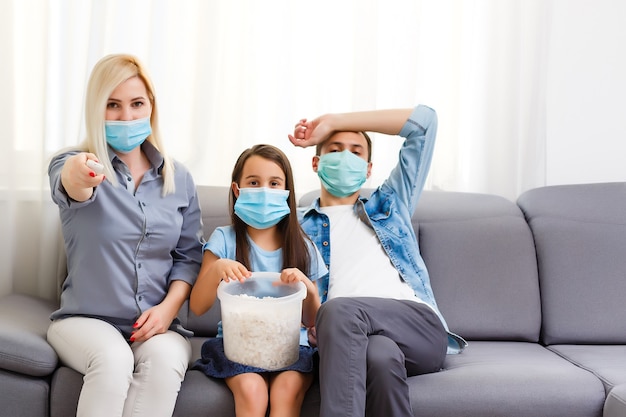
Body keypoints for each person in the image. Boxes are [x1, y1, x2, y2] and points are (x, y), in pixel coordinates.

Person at [46, 54, 203, 417]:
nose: (127, 116)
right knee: (113, 361)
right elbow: (70, 182)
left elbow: (189, 257)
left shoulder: (179, 179)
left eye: (137, 104)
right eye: (112, 106)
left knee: (165, 364)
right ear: (96, 109)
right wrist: (79, 172)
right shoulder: (74, 161)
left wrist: (167, 310)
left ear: (151, 107)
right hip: (85, 322)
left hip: (156, 325)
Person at [288, 105, 467, 417]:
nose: (345, 156)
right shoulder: (295, 227)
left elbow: (424, 124)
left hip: (418, 329)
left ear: (369, 169)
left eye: (356, 151)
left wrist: (335, 121)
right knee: (381, 358)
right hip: (355, 337)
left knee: (340, 308)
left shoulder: (390, 205)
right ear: (316, 162)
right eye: (335, 148)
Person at [189, 144, 327, 417]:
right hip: (236, 346)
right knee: (252, 391)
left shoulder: (304, 247)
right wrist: (217, 270)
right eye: (254, 182)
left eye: (275, 183)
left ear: (287, 193)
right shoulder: (224, 239)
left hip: (292, 348)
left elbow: (313, 320)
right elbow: (197, 306)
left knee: (286, 390)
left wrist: (307, 287)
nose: (265, 190)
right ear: (237, 190)